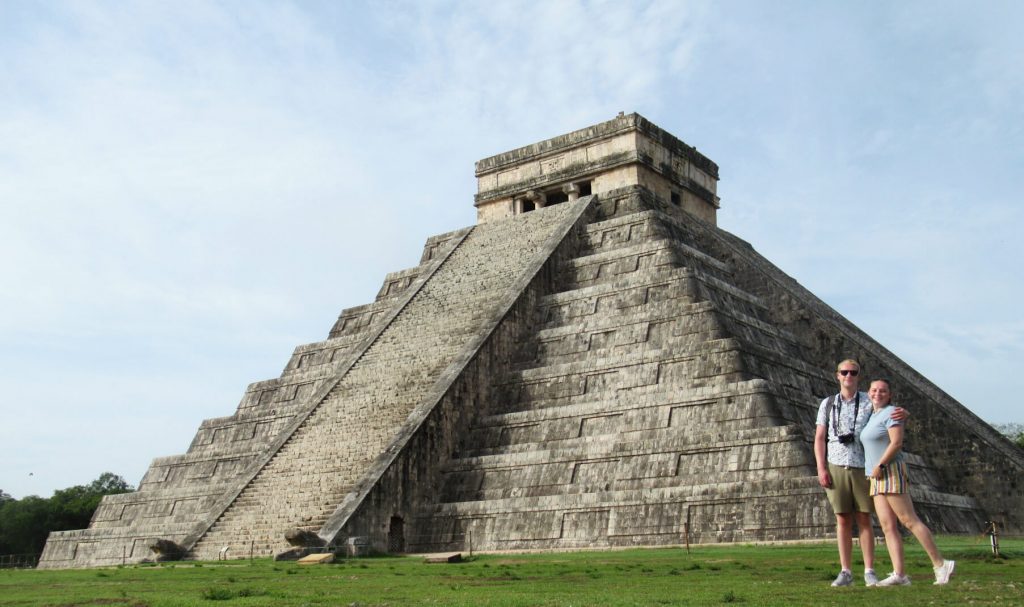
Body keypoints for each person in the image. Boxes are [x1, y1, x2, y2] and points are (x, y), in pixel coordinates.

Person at [814, 358, 907, 587]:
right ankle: (845, 571)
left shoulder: (869, 401)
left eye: (853, 373)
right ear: (837, 375)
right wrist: (821, 467)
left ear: (858, 376)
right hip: (836, 464)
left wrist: (903, 412)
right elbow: (819, 438)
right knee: (842, 519)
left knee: (865, 518)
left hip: (863, 466)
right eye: (844, 372)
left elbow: (889, 415)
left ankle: (869, 570)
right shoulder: (827, 403)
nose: (848, 376)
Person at [861, 378, 955, 586]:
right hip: (875, 476)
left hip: (889, 470)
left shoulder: (893, 413)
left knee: (909, 520)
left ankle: (940, 565)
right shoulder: (870, 415)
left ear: (890, 394)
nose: (878, 393)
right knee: (887, 526)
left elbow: (896, 443)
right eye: (874, 390)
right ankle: (900, 574)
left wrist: (881, 466)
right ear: (868, 393)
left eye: (883, 390)